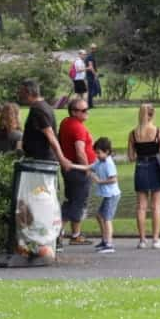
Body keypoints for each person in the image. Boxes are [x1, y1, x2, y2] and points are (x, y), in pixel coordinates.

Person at [14, 80, 89, 253]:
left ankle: (45, 240)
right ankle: (40, 240)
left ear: (28, 91)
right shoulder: (41, 108)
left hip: (42, 164)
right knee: (37, 200)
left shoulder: (39, 109)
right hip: (39, 162)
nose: (19, 95)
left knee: (40, 200)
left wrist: (61, 158)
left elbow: (50, 135)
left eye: (21, 91)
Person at [128, 102, 160, 249]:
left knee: (141, 207)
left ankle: (142, 240)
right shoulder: (159, 132)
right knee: (156, 207)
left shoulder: (133, 134)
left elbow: (131, 157)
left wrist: (140, 152)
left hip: (140, 167)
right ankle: (156, 240)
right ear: (152, 114)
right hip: (156, 168)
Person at [58, 95, 96, 245]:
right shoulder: (77, 127)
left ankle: (75, 234)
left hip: (69, 168)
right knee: (77, 202)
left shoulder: (66, 122)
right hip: (77, 169)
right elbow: (80, 151)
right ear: (74, 111)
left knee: (73, 201)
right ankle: (60, 234)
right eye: (84, 110)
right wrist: (87, 168)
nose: (87, 113)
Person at [89, 136, 119, 253]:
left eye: (98, 153)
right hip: (107, 195)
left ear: (106, 152)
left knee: (107, 218)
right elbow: (89, 167)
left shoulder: (109, 163)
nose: (97, 155)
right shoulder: (100, 161)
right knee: (99, 215)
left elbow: (114, 179)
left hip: (112, 195)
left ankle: (109, 244)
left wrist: (99, 181)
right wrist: (73, 166)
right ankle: (105, 240)